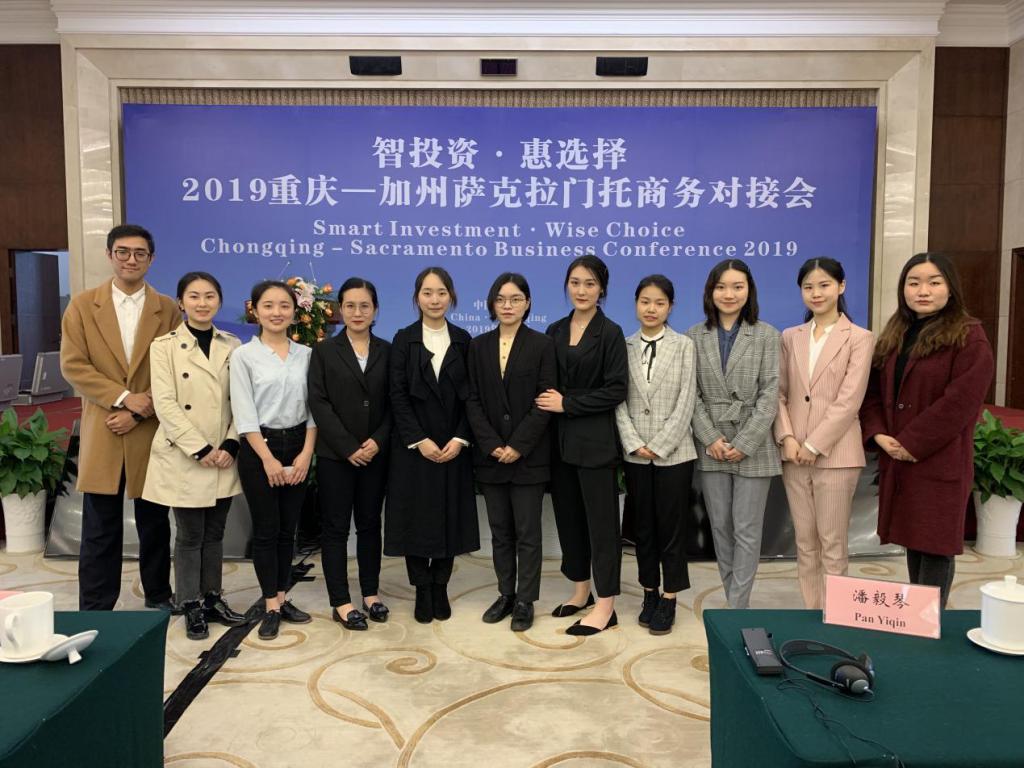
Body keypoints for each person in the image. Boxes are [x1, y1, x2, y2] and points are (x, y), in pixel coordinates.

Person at [859, 252, 993, 609]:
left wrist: (912, 442)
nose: (923, 291)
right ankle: (917, 617)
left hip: (938, 460)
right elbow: (872, 394)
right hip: (897, 458)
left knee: (934, 545)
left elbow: (960, 403)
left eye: (934, 282)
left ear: (950, 288)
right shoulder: (897, 332)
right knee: (914, 541)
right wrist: (878, 434)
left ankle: (927, 620)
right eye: (914, 282)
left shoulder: (969, 336)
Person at [60, 223, 179, 611]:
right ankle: (96, 605)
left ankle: (158, 596)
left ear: (151, 259)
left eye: (140, 253)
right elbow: (74, 365)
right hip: (106, 426)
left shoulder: (168, 309)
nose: (131, 259)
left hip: (151, 427)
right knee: (100, 526)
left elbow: (179, 370)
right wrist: (125, 399)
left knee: (155, 523)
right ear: (110, 255)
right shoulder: (83, 305)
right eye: (123, 252)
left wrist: (141, 411)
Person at [143, 272, 247, 639]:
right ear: (181, 302)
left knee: (215, 533)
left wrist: (231, 443)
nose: (202, 303)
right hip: (185, 454)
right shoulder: (164, 347)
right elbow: (165, 403)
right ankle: (189, 603)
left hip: (224, 454)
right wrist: (199, 448)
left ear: (219, 301)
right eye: (194, 296)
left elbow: (241, 400)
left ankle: (212, 598)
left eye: (209, 296)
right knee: (189, 534)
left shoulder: (233, 345)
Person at [774, 258, 874, 609]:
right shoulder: (790, 336)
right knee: (805, 542)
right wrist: (787, 437)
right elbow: (779, 393)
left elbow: (850, 400)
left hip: (836, 454)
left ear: (841, 286)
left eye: (824, 285)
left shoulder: (859, 338)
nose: (816, 293)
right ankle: (812, 610)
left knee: (832, 543)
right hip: (794, 455)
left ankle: (836, 614)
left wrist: (814, 444)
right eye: (808, 287)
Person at [538, 254, 627, 635]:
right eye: (575, 282)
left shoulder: (610, 332)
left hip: (595, 444)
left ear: (601, 289)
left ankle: (606, 606)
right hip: (559, 445)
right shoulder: (555, 330)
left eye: (590, 283)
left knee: (602, 527)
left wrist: (568, 404)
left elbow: (616, 389)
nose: (581, 290)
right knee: (570, 522)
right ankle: (581, 591)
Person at [384, 267, 479, 623]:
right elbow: (397, 396)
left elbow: (473, 397)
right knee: (415, 520)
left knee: (448, 518)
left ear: (451, 297)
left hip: (453, 447)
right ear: (417, 297)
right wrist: (418, 440)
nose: (434, 299)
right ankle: (422, 588)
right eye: (427, 293)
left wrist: (460, 438)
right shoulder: (403, 340)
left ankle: (440, 586)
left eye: (441, 293)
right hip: (413, 450)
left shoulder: (464, 340)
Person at [687, 259, 780, 610]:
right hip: (712, 445)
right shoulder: (694, 336)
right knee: (721, 528)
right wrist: (710, 437)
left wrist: (744, 442)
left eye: (738, 287)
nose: (729, 294)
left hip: (754, 445)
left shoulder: (767, 334)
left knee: (746, 529)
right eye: (722, 287)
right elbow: (691, 393)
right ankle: (733, 598)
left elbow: (771, 393)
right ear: (710, 292)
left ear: (749, 291)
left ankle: (737, 606)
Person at [466, 273, 556, 632]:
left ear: (527, 303)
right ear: (492, 304)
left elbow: (545, 400)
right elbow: (472, 400)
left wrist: (518, 445)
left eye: (516, 299)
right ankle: (505, 593)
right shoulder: (477, 346)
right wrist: (492, 444)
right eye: (501, 299)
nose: (508, 305)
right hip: (491, 457)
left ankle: (525, 600)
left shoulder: (542, 345)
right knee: (500, 531)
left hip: (528, 456)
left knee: (528, 533)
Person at [230, 280, 317, 640]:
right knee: (266, 530)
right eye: (268, 305)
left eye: (284, 305)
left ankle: (282, 597)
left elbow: (314, 410)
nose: (277, 312)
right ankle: (270, 605)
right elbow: (244, 412)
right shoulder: (243, 356)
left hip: (298, 443)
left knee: (288, 530)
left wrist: (306, 455)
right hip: (258, 447)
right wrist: (266, 459)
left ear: (295, 312)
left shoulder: (307, 355)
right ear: (255, 311)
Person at [308, 278, 392, 631]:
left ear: (375, 310)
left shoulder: (388, 351)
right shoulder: (324, 351)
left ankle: (370, 594)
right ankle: (341, 601)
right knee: (336, 528)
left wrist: (377, 441)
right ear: (340, 310)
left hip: (375, 454)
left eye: (364, 306)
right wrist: (347, 447)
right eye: (350, 306)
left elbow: (396, 403)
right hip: (336, 456)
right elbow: (319, 402)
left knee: (371, 525)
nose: (357, 312)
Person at [615, 275, 697, 635]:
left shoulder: (684, 345)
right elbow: (617, 399)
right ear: (636, 304)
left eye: (659, 303)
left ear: (670, 307)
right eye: (645, 301)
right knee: (643, 528)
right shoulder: (624, 345)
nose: (651, 309)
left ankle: (670, 596)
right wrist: (633, 442)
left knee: (671, 529)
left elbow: (687, 399)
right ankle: (649, 591)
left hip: (675, 454)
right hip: (635, 453)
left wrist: (661, 444)